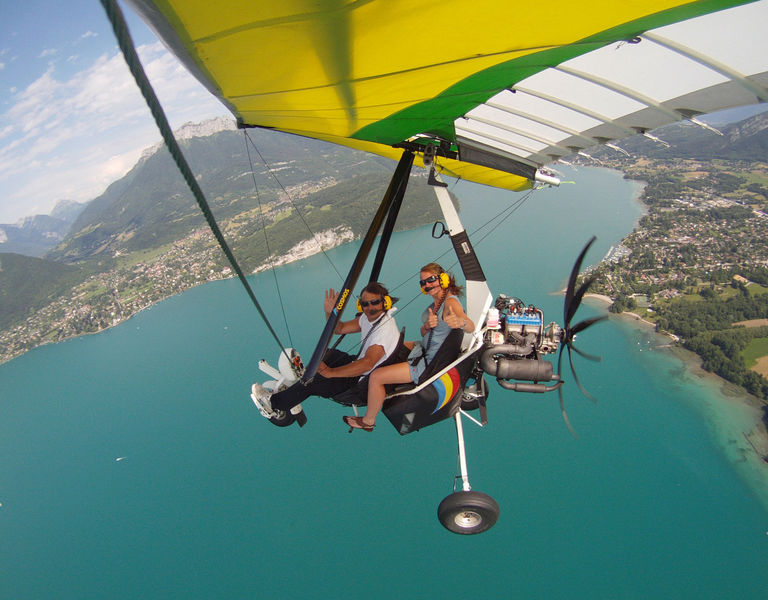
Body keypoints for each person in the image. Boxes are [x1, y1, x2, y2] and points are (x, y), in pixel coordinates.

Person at [343, 263, 474, 432]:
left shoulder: (449, 304)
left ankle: (368, 421)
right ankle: (365, 368)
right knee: (393, 345)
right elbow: (423, 332)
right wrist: (426, 326)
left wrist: (460, 322)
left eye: (431, 280)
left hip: (428, 365)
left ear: (443, 279)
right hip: (423, 350)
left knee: (376, 377)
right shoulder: (434, 305)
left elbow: (470, 325)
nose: (427, 285)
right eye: (423, 283)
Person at [252, 281, 400, 418]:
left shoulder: (383, 330)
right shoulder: (369, 318)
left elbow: (367, 363)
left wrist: (331, 373)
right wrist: (330, 312)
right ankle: (297, 388)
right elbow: (340, 328)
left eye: (374, 302)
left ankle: (273, 405)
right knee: (326, 354)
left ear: (385, 303)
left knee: (311, 383)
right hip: (361, 366)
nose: (370, 307)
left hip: (361, 385)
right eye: (365, 304)